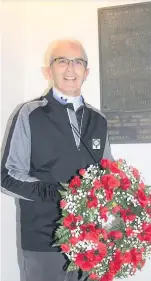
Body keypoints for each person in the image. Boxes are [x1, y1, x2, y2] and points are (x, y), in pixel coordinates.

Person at [1, 39, 113, 281]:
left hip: (90, 241)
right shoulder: (29, 114)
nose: (70, 69)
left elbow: (108, 176)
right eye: (62, 61)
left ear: (87, 72)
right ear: (48, 70)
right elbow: (7, 177)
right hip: (43, 241)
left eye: (78, 62)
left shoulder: (99, 120)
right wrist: (60, 193)